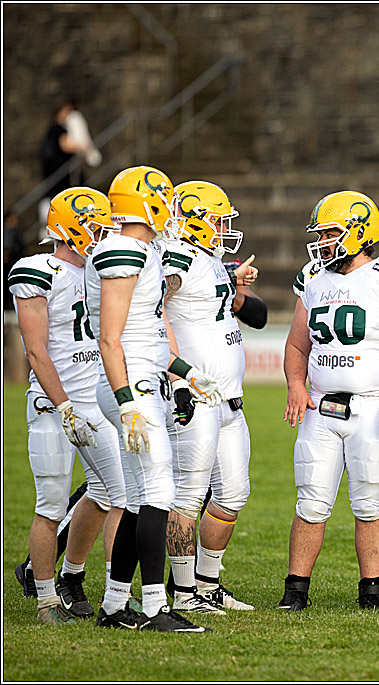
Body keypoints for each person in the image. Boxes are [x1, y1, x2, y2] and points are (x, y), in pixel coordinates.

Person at [278, 191, 379, 612]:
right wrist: (295, 384)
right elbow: (297, 345)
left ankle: (371, 592)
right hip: (320, 406)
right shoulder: (313, 277)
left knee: (370, 501)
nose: (322, 242)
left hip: (374, 406)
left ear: (360, 233)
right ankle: (295, 591)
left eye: (330, 233)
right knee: (311, 500)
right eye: (320, 234)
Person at [88, 165, 223, 633]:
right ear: (146, 203)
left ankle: (113, 605)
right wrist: (126, 401)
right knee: (159, 492)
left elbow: (146, 337)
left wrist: (188, 373)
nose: (172, 210)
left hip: (142, 379)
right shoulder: (123, 248)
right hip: (131, 387)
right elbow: (110, 338)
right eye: (166, 200)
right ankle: (152, 609)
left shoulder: (142, 249)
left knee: (136, 497)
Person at [8, 187, 127, 624]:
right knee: (52, 505)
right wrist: (63, 407)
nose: (102, 234)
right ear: (70, 228)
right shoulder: (39, 270)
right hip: (52, 406)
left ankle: (101, 589)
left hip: (95, 404)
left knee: (118, 495)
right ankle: (45, 601)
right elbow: (36, 351)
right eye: (94, 226)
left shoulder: (102, 270)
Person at [162, 180, 260, 613]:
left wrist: (234, 276)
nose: (223, 228)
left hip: (228, 399)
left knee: (233, 494)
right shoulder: (176, 256)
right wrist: (178, 373)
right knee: (188, 495)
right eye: (217, 220)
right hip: (195, 397)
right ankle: (184, 593)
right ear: (195, 220)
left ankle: (207, 584)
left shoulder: (209, 259)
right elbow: (152, 310)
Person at [37, 99, 102, 227]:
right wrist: (85, 147)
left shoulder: (53, 129)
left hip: (58, 171)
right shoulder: (57, 129)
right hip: (59, 171)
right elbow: (66, 145)